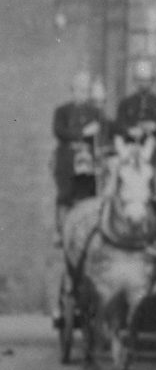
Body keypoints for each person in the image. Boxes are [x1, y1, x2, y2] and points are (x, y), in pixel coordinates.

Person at [52, 71, 105, 243]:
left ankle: (87, 231)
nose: (82, 94)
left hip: (87, 159)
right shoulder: (62, 111)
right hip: (67, 159)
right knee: (65, 195)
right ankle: (60, 231)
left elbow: (103, 132)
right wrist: (83, 132)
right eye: (79, 90)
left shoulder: (95, 112)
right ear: (73, 90)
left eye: (86, 90)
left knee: (87, 195)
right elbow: (59, 132)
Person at [115, 59, 156, 144]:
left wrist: (155, 126)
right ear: (135, 81)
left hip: (155, 145)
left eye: (147, 80)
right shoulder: (125, 103)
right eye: (140, 80)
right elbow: (118, 124)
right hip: (130, 143)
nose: (143, 84)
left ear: (152, 82)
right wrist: (129, 130)